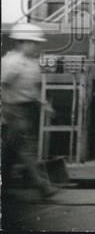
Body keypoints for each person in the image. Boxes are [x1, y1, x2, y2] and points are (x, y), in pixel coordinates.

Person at [1, 22, 58, 199]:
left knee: (11, 148)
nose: (36, 46)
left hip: (27, 108)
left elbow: (32, 89)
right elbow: (3, 85)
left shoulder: (31, 63)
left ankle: (4, 182)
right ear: (22, 42)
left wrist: (43, 104)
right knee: (26, 147)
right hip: (15, 108)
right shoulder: (11, 63)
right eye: (33, 43)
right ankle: (43, 185)